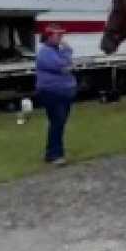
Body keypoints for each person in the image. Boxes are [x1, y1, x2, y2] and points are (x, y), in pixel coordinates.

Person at [36, 23, 77, 165]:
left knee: (58, 123)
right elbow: (62, 65)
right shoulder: (45, 52)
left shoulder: (56, 50)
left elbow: (66, 64)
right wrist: (68, 53)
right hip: (52, 93)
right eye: (58, 35)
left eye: (62, 35)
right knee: (57, 122)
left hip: (62, 92)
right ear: (49, 37)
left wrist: (66, 54)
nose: (61, 38)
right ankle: (55, 155)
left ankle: (53, 153)